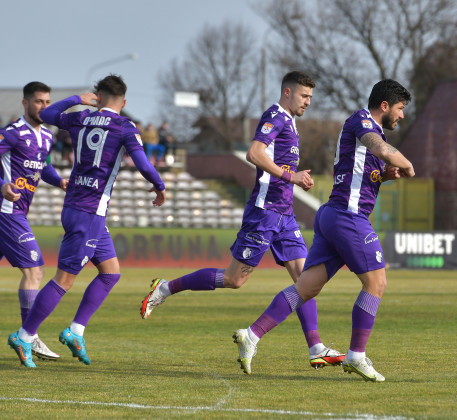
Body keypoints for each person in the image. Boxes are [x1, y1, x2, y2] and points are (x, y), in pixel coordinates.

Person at [140, 71, 345, 370]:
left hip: (284, 214)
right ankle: (164, 288)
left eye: (311, 97)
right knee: (235, 279)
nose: (308, 102)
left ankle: (315, 347)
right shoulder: (274, 115)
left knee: (306, 282)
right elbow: (254, 153)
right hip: (264, 213)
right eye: (304, 96)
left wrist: (294, 181)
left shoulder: (291, 121)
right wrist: (291, 176)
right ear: (287, 92)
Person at [230, 79, 415, 382]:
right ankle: (357, 356)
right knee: (376, 283)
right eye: (400, 109)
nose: (402, 115)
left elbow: (364, 173)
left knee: (306, 288)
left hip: (333, 215)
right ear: (385, 106)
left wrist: (384, 175)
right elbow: (379, 147)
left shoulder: (367, 129)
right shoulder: (363, 121)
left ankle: (251, 335)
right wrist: (403, 162)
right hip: (347, 216)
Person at [7, 74, 167, 368]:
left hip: (81, 209)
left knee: (110, 273)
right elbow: (142, 162)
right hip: (88, 211)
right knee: (64, 280)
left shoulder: (81, 117)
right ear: (124, 102)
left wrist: (76, 100)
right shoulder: (125, 126)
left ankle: (75, 331)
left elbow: (49, 114)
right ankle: (25, 335)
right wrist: (160, 185)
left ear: (98, 96)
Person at [2, 81, 67, 361]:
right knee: (35, 270)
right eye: (39, 102)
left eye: (47, 102)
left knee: (34, 271)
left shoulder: (47, 137)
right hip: (7, 211)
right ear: (25, 103)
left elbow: (44, 166)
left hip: (16, 212)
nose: (44, 107)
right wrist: (1, 184)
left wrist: (60, 181)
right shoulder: (13, 133)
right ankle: (29, 337)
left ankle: (30, 336)